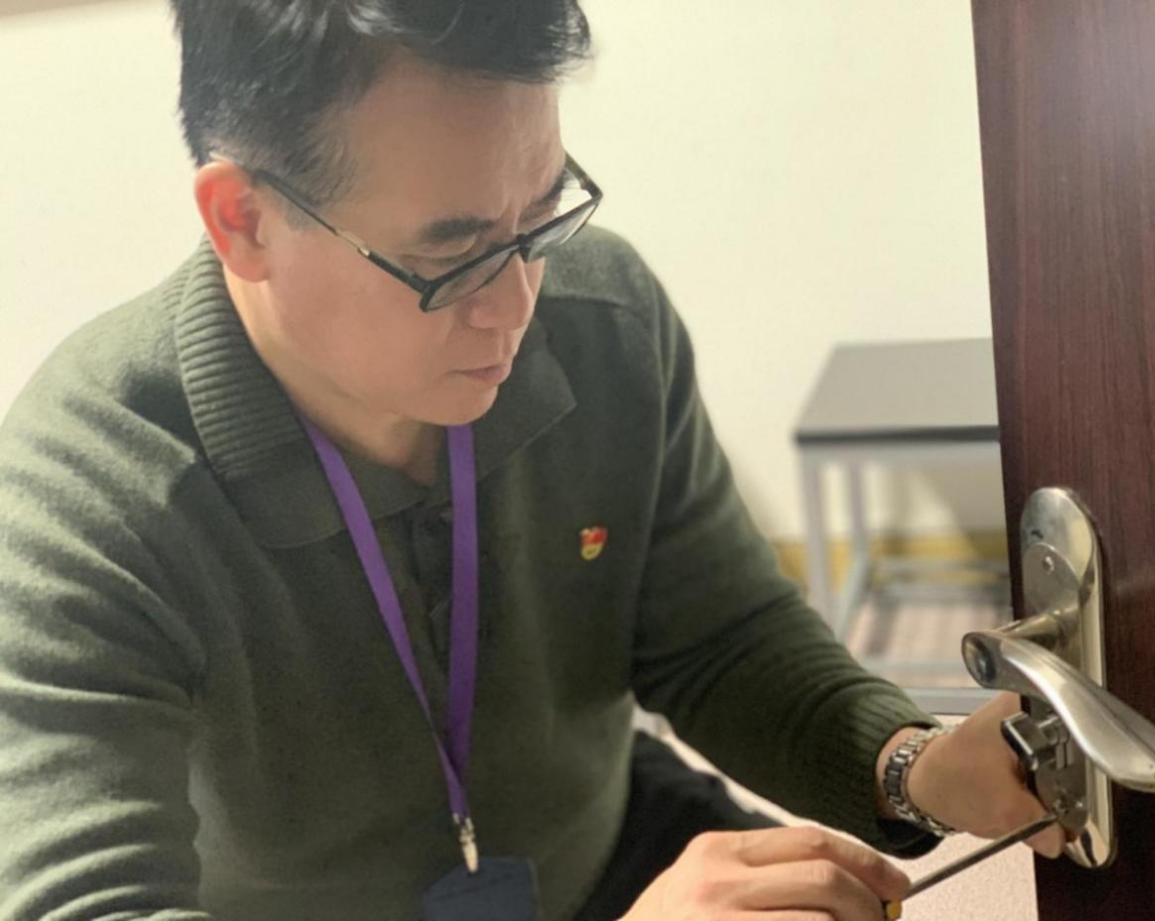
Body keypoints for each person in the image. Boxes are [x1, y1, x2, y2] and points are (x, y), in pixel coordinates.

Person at [0, 2, 1065, 919]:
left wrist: (914, 767)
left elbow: (718, 636)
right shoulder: (86, 498)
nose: (515, 306)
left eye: (543, 212)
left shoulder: (601, 321)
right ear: (244, 221)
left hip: (605, 851)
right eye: (449, 251)